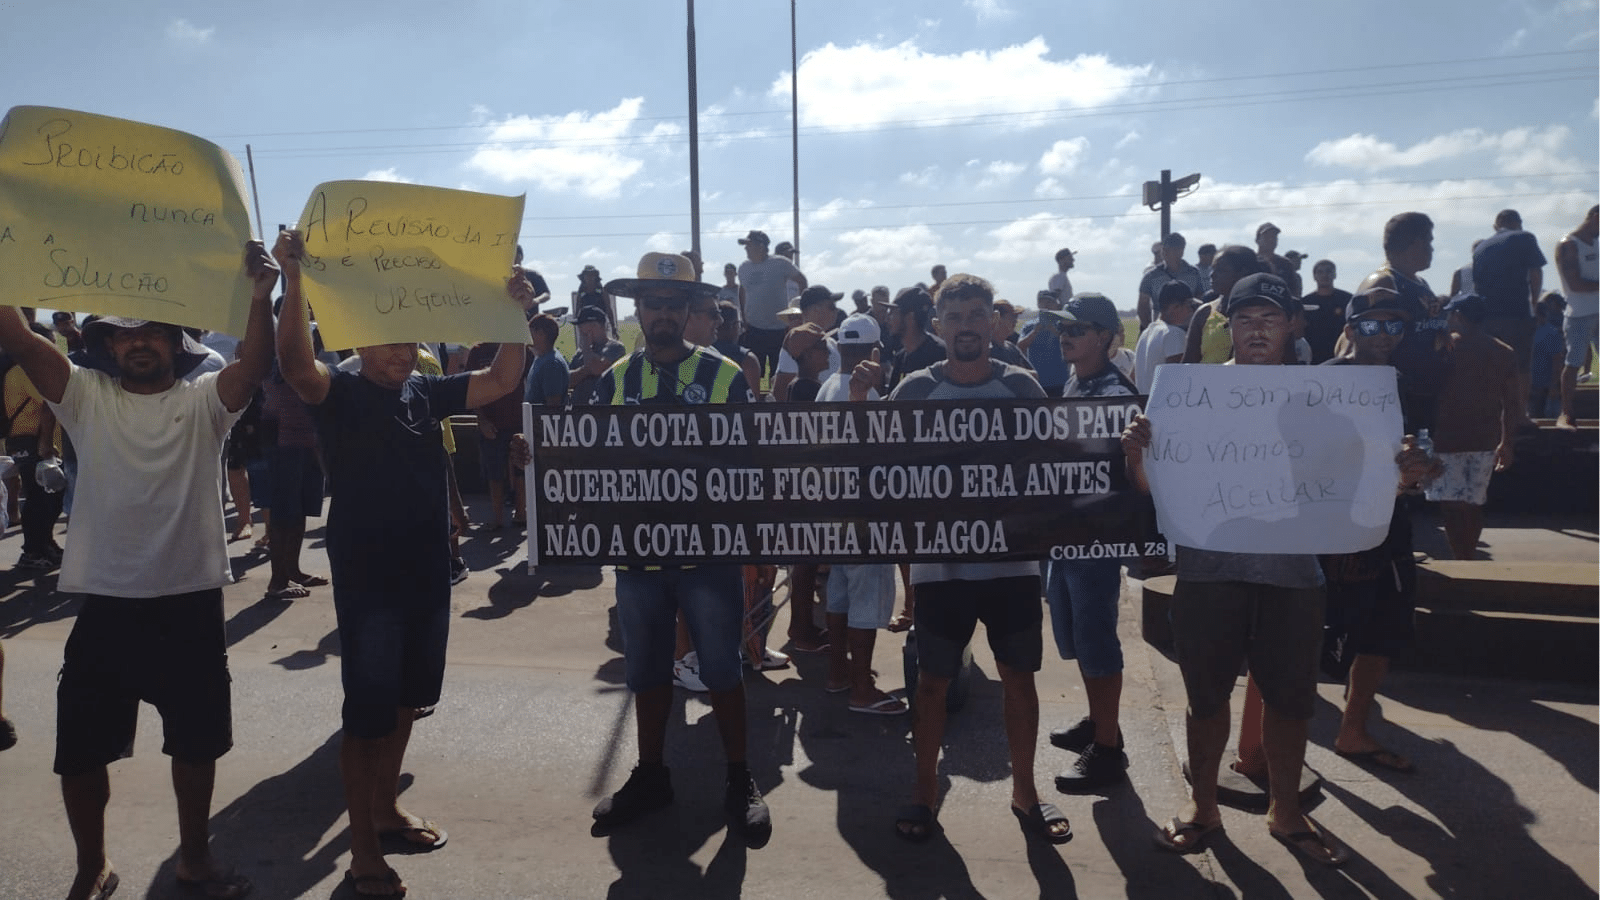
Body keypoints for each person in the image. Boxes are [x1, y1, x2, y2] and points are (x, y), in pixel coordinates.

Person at [1123, 272, 1436, 867]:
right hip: (1209, 572)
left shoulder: (1329, 396)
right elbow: (1155, 492)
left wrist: (1405, 475)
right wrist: (1136, 456)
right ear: (1228, 327)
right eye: (1245, 319)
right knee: (1205, 698)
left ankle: (1286, 810)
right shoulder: (1189, 394)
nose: (1257, 330)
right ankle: (1204, 806)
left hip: (1294, 576)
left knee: (1292, 702)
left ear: (1293, 323)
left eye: (1270, 318)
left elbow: (1368, 491)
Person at [0, 240, 278, 900]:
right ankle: (91, 865)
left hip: (190, 602)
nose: (138, 344)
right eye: (123, 335)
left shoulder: (205, 399)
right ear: (105, 346)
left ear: (174, 339)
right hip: (105, 603)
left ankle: (195, 859)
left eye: (150, 330)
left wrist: (261, 297)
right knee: (81, 751)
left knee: (196, 744)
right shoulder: (84, 395)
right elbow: (14, 332)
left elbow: (256, 364)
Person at [274, 229, 527, 897]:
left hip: (427, 574)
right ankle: (362, 853)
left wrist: (515, 315)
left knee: (411, 700)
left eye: (404, 340)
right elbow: (298, 367)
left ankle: (385, 809)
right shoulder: (340, 393)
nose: (394, 352)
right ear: (357, 341)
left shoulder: (426, 392)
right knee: (367, 713)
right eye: (382, 340)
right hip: (370, 581)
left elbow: (503, 378)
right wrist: (293, 282)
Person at [577, 251, 772, 848]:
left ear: (691, 311)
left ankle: (740, 778)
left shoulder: (727, 375)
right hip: (639, 557)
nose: (663, 315)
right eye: (653, 305)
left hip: (708, 556)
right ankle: (651, 774)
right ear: (638, 310)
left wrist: (756, 541)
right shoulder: (614, 380)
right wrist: (540, 464)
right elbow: (591, 461)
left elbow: (749, 463)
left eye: (675, 305)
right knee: (646, 671)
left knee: (721, 668)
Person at [890, 273, 1070, 846]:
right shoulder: (914, 390)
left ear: (992, 321)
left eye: (976, 315)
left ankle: (1026, 792)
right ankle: (924, 794)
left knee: (1020, 677)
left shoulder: (1022, 387)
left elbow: (1051, 466)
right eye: (955, 316)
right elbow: (881, 469)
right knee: (933, 683)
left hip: (1012, 567)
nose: (966, 326)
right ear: (938, 324)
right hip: (940, 570)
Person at [1320, 286, 1437, 775]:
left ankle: (1353, 729)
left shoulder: (1406, 385)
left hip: (1388, 528)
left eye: (1395, 325)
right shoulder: (1319, 382)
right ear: (1350, 330)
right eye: (1371, 325)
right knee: (1304, 636)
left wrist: (1419, 468)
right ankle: (1263, 746)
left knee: (1383, 632)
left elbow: (1428, 463)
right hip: (1324, 529)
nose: (1384, 335)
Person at [1041, 293, 1138, 792]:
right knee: (1076, 634)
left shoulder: (1113, 392)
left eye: (1076, 328)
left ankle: (1108, 748)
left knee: (1096, 638)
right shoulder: (1080, 381)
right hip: (1070, 533)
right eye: (1063, 329)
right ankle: (1101, 722)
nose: (1066, 336)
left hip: (1095, 536)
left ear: (1103, 336)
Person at [816, 313, 908, 715]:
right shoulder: (866, 393)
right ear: (873, 350)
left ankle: (838, 674)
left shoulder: (825, 387)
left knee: (838, 595)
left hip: (832, 509)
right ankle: (860, 688)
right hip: (865, 510)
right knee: (866, 600)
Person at [1427, 293, 1520, 560]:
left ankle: (1462, 558)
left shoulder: (1444, 348)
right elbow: (1512, 404)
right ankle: (1467, 556)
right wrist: (1507, 443)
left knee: (1450, 507)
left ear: (1457, 315)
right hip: (1484, 442)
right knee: (1473, 505)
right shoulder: (1503, 351)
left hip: (1445, 441)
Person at [1355, 212, 1451, 429]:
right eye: (1430, 241)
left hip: (1424, 398)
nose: (1432, 249)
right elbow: (1353, 338)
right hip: (1397, 399)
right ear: (1416, 243)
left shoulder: (1420, 283)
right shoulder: (1384, 281)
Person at [1472, 209, 1546, 406]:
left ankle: (1493, 410)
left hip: (1487, 317)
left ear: (1496, 226)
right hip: (1517, 312)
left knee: (1493, 365)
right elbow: (1535, 272)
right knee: (1521, 365)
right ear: (1518, 222)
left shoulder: (1481, 247)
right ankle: (1520, 413)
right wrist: (1535, 303)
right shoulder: (1525, 237)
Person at [3, 353, 65, 570]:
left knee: (46, 496)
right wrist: (46, 444)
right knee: (41, 498)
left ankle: (45, 544)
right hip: (34, 442)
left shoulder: (14, 371)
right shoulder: (27, 371)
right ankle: (33, 550)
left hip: (21, 441)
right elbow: (48, 406)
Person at [738, 230, 808, 380]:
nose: (746, 249)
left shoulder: (780, 263)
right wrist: (743, 318)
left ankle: (777, 399)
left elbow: (802, 281)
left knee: (779, 370)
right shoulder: (743, 267)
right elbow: (742, 290)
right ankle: (760, 399)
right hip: (754, 329)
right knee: (758, 371)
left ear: (761, 246)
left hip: (779, 329)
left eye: (749, 245)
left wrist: (802, 310)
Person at [1182, 245, 1266, 364]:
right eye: (1213, 269)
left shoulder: (1268, 315)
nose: (1212, 275)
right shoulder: (1204, 313)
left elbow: (1290, 365)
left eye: (1221, 270)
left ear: (1243, 273)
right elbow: (1188, 364)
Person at [1555, 205, 1599, 430]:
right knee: (1573, 363)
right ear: (1595, 217)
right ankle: (1566, 413)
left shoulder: (1597, 243)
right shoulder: (1569, 245)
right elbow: (1575, 284)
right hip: (1580, 313)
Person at [771, 285, 841, 402]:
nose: (836, 311)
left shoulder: (832, 342)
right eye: (831, 307)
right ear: (816, 310)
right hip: (810, 417)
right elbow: (781, 392)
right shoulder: (797, 343)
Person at [1134, 281, 1197, 392]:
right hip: (1164, 407)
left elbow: (1132, 376)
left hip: (1144, 405)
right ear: (1175, 307)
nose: (1191, 311)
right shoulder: (1173, 334)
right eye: (1189, 305)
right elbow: (1178, 382)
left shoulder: (1145, 334)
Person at [1137, 232, 1204, 330]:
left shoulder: (1194, 274)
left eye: (1169, 250)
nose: (1164, 253)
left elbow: (1200, 301)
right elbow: (1142, 307)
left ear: (1181, 252)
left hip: (1187, 330)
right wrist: (1150, 329)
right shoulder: (1151, 276)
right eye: (1163, 250)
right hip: (1160, 329)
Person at [885, 286, 947, 391]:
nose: (888, 318)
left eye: (893, 312)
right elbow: (892, 400)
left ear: (910, 317)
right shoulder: (901, 357)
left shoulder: (940, 354)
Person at [567, 306, 627, 405]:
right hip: (579, 412)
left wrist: (586, 348)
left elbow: (597, 368)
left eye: (582, 325)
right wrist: (586, 369)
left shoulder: (616, 348)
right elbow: (568, 381)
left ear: (595, 326)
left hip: (604, 411)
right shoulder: (580, 353)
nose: (580, 330)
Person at [1018, 289, 1070, 393]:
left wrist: (1054, 330)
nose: (1046, 305)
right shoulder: (1029, 326)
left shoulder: (1063, 325)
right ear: (1038, 304)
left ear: (1056, 305)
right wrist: (1035, 332)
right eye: (1043, 302)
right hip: (1037, 383)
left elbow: (1071, 343)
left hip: (1061, 382)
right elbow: (1020, 347)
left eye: (1050, 302)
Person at [1302, 259, 1353, 363]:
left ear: (1335, 275)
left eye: (1328, 271)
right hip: (1312, 357)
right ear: (1314, 276)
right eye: (1320, 272)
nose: (1325, 275)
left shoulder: (1347, 300)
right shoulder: (1305, 302)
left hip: (1340, 355)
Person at [1530, 292, 1567, 419]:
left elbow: (1557, 360)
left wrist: (1554, 385)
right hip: (1531, 385)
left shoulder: (1551, 333)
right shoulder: (1529, 331)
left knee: (1548, 418)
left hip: (1546, 387)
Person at [1255, 223, 1302, 296]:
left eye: (1274, 236)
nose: (1271, 239)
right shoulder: (1250, 261)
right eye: (1267, 236)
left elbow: (1294, 291)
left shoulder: (1286, 264)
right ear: (1257, 240)